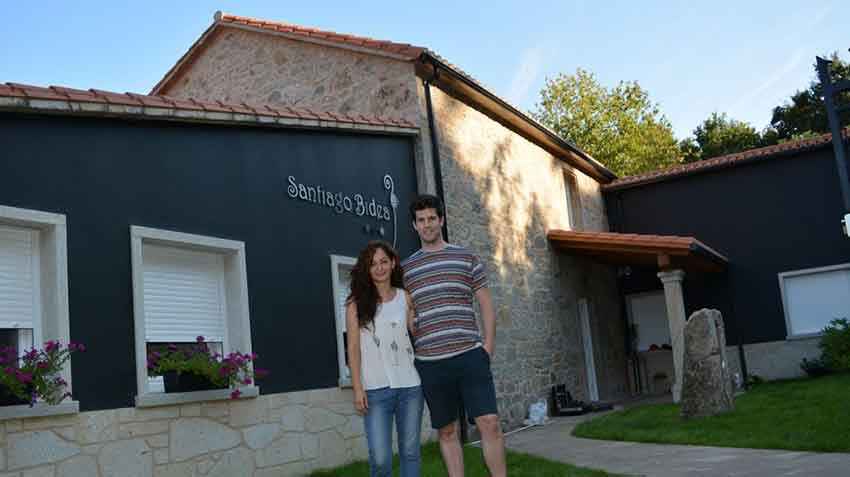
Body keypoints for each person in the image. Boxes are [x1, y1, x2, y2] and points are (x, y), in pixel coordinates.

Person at [402, 194, 507, 477]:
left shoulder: (466, 257)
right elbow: (407, 309)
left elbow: (486, 304)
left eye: (432, 219)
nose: (427, 225)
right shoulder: (407, 269)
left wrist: (488, 347)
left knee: (489, 422)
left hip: (470, 356)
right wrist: (410, 319)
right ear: (414, 225)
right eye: (421, 220)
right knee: (447, 431)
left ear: (442, 220)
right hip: (430, 362)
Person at [345, 240, 424, 477]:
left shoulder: (406, 297)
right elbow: (353, 348)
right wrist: (358, 389)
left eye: (383, 262)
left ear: (393, 264)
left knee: (410, 452)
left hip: (410, 386)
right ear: (366, 269)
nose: (379, 268)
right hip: (375, 390)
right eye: (373, 264)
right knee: (380, 460)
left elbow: (417, 333)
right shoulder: (355, 304)